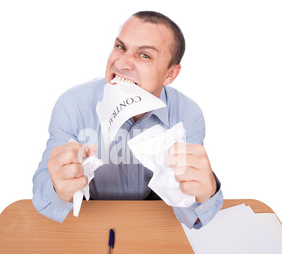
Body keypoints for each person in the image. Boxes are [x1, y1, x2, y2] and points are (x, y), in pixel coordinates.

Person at [32, 11, 223, 229]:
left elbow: (191, 213)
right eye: (121, 47)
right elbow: (43, 196)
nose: (121, 64)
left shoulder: (188, 115)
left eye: (145, 56)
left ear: (170, 74)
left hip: (153, 216)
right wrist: (58, 188)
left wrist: (205, 193)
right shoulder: (72, 105)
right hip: (89, 214)